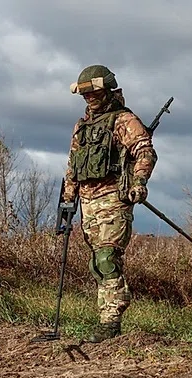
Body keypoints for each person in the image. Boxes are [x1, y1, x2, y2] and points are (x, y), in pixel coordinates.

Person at [64, 65, 158, 342]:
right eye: (85, 94)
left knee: (107, 259)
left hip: (113, 198)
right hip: (87, 202)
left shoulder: (124, 120)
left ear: (107, 89)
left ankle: (110, 322)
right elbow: (72, 164)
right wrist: (68, 198)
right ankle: (107, 317)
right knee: (97, 262)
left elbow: (145, 152)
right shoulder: (82, 126)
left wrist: (139, 182)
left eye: (94, 92)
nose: (90, 98)